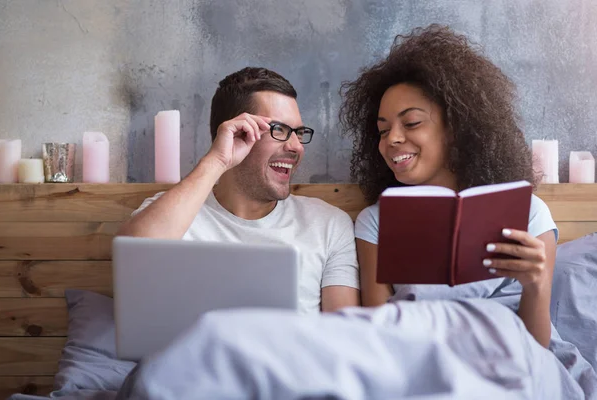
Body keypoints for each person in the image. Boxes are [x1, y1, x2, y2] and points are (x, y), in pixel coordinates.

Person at [339, 25, 558, 348]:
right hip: (421, 363)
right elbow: (379, 336)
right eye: (383, 131)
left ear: (456, 128)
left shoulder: (529, 213)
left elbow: (538, 346)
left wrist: (536, 284)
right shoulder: (375, 222)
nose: (393, 139)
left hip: (512, 362)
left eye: (411, 123)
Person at [117, 67, 360, 314]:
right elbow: (131, 261)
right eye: (279, 130)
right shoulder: (172, 214)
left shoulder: (328, 224)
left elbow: (341, 334)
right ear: (236, 133)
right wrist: (217, 160)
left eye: (298, 133)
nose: (296, 146)